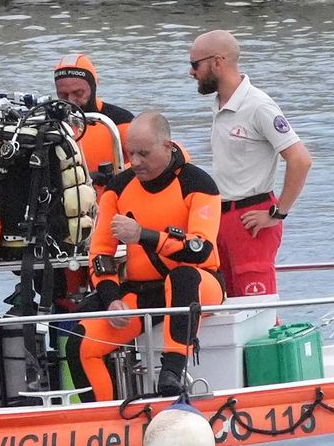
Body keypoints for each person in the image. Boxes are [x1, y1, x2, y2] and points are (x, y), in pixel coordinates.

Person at [66, 112, 224, 401]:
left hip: (200, 287)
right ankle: (102, 417)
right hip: (144, 293)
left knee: (182, 276)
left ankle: (172, 371)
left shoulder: (198, 183)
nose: (135, 161)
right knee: (81, 341)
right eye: (131, 153)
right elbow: (101, 254)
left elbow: (201, 250)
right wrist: (112, 298)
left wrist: (144, 236)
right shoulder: (119, 187)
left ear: (167, 146)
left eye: (143, 153)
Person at [190, 30, 312, 297]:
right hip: (221, 217)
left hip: (251, 217)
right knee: (228, 301)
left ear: (217, 62)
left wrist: (278, 213)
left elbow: (300, 159)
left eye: (195, 64)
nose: (191, 72)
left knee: (256, 305)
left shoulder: (258, 105)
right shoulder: (221, 103)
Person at [54, 53, 134, 185]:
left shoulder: (119, 120)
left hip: (107, 199)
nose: (71, 101)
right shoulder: (50, 123)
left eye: (78, 93)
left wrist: (114, 174)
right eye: (63, 95)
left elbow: (148, 159)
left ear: (94, 85)